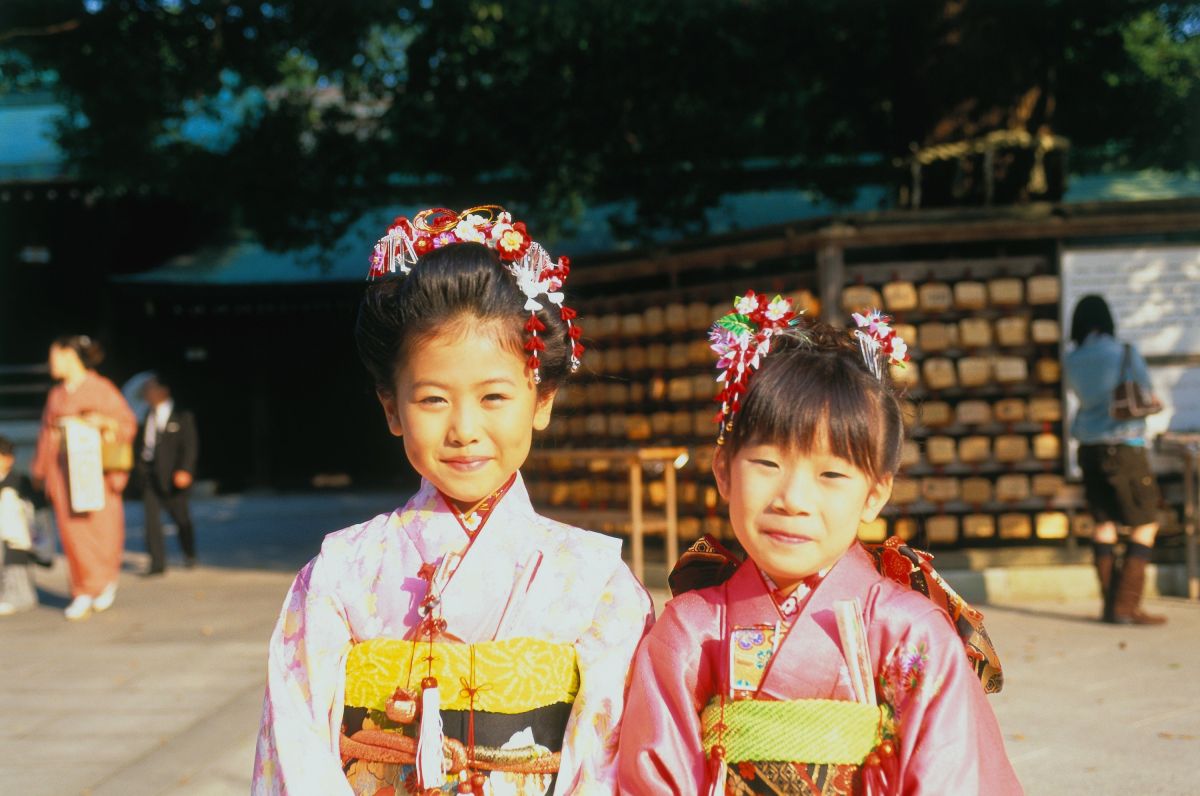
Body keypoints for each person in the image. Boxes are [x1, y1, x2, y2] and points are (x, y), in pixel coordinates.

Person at [253, 206, 654, 795]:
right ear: (391, 407)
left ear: (541, 401)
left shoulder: (596, 583)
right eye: (433, 400)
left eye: (494, 396)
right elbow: (296, 749)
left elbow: (609, 757)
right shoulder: (340, 573)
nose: (464, 428)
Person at [617, 296, 1021, 795]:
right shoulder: (690, 632)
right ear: (724, 470)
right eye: (767, 464)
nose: (793, 499)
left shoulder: (908, 633)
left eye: (830, 474)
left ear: (874, 494)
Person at [1063, 294, 1165, 625]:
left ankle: (1111, 606)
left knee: (1104, 523)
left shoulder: (1073, 359)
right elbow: (1145, 390)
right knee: (1146, 522)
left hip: (1089, 449)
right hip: (1125, 447)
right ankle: (1126, 605)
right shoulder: (1124, 352)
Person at [31, 335, 137, 621]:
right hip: (65, 473)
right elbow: (45, 432)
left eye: (54, 356)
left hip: (95, 473)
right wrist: (40, 469)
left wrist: (102, 422)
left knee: (101, 530)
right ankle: (81, 590)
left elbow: (126, 422)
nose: (50, 363)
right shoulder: (56, 395)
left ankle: (103, 582)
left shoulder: (101, 388)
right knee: (72, 534)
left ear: (69, 355)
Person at [134, 373, 199, 574]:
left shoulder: (181, 415)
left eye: (150, 388)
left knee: (181, 517)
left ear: (163, 391)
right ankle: (157, 563)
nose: (146, 393)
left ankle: (189, 553)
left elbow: (190, 445)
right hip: (150, 475)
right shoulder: (146, 416)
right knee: (151, 520)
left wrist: (186, 470)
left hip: (173, 476)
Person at [0, 435, 40, 615]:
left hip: (16, 533)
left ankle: (20, 598)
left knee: (16, 568)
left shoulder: (18, 481)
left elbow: (35, 507)